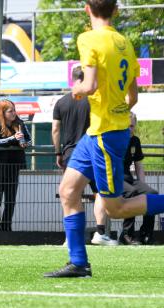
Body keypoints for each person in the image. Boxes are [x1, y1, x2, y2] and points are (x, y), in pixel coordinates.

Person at [45, 0, 164, 278]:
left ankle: (79, 262)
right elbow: (133, 96)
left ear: (87, 9)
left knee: (116, 207)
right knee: (68, 192)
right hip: (97, 132)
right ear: (116, 10)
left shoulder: (88, 38)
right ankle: (78, 263)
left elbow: (89, 85)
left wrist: (76, 91)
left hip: (105, 134)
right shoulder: (124, 42)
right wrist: (118, 109)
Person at [52, 66, 116, 246]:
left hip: (71, 153)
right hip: (94, 150)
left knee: (71, 195)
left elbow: (56, 129)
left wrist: (58, 152)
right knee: (99, 193)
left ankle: (70, 237)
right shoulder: (93, 100)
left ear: (72, 79)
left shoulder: (61, 102)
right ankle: (100, 232)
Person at [0, 99, 31, 232]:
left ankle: (6, 227)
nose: (14, 113)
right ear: (2, 113)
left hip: (13, 166)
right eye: (10, 111)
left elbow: (29, 139)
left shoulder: (20, 123)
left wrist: (24, 142)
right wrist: (12, 138)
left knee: (10, 200)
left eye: (14, 110)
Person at [119, 113, 159, 245]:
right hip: (114, 179)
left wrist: (143, 187)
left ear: (135, 126)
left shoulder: (135, 141)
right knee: (131, 192)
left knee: (152, 194)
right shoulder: (115, 139)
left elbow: (139, 167)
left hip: (129, 179)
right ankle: (126, 235)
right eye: (127, 126)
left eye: (131, 126)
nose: (129, 129)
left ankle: (146, 235)